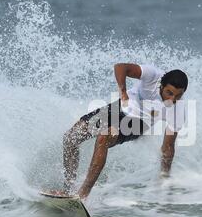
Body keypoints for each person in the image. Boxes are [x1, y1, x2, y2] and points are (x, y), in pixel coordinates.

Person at [63, 63, 188, 199]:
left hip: (139, 123)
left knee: (104, 137)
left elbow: (168, 147)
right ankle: (68, 189)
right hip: (118, 108)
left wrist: (165, 177)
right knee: (71, 137)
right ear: (161, 86)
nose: (172, 100)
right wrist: (123, 91)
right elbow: (121, 67)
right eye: (169, 93)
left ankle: (82, 195)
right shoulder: (153, 75)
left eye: (178, 96)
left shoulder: (178, 110)